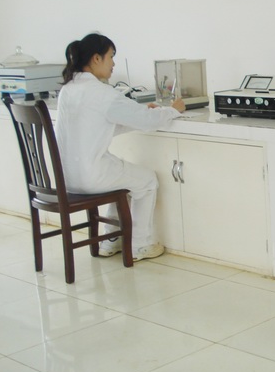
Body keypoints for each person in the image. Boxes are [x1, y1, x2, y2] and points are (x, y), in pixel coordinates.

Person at [56, 33, 186, 261]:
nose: (113, 63)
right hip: (91, 176)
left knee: (123, 178)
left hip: (65, 179)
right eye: (111, 56)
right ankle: (140, 244)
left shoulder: (68, 90)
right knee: (146, 181)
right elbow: (147, 121)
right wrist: (172, 110)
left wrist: (143, 114)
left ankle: (111, 240)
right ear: (96, 58)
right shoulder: (102, 93)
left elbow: (100, 125)